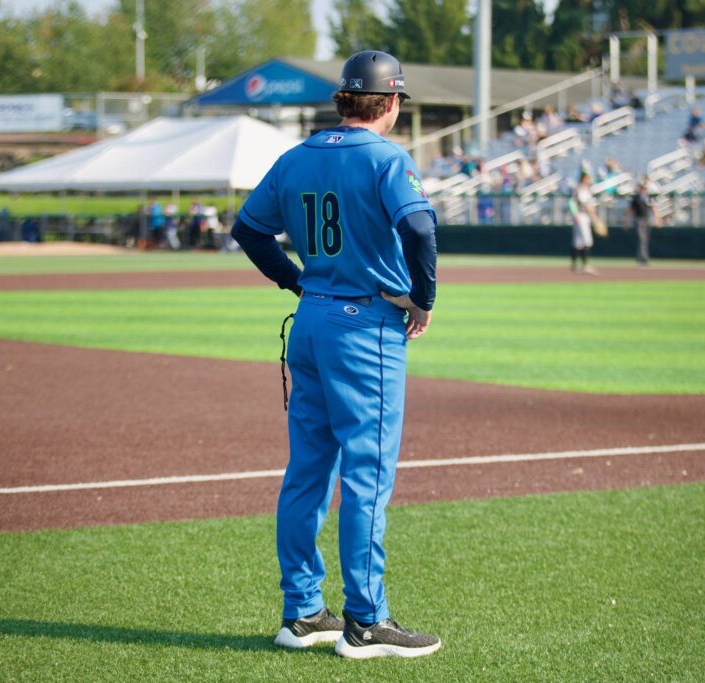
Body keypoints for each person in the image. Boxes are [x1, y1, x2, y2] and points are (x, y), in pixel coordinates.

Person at [230, 49, 441, 660]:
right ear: (393, 103)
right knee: (366, 478)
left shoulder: (297, 157)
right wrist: (423, 300)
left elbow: (248, 229)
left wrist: (296, 282)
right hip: (364, 327)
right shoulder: (386, 158)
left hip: (312, 321)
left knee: (307, 472)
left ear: (342, 100)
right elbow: (421, 230)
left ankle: (302, 613)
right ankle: (366, 621)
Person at [569, 170, 598, 274]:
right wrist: (575, 213)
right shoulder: (580, 189)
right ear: (584, 178)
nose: (589, 180)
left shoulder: (587, 189)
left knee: (579, 242)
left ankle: (575, 265)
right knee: (586, 240)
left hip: (585, 216)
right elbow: (573, 202)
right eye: (588, 178)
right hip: (581, 216)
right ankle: (584, 265)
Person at [628, 179, 657, 266]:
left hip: (647, 219)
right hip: (638, 219)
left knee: (645, 240)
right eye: (642, 188)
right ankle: (643, 259)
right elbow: (630, 209)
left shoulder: (648, 197)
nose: (643, 189)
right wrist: (626, 220)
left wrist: (657, 219)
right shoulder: (636, 198)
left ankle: (641, 258)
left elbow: (653, 208)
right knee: (641, 239)